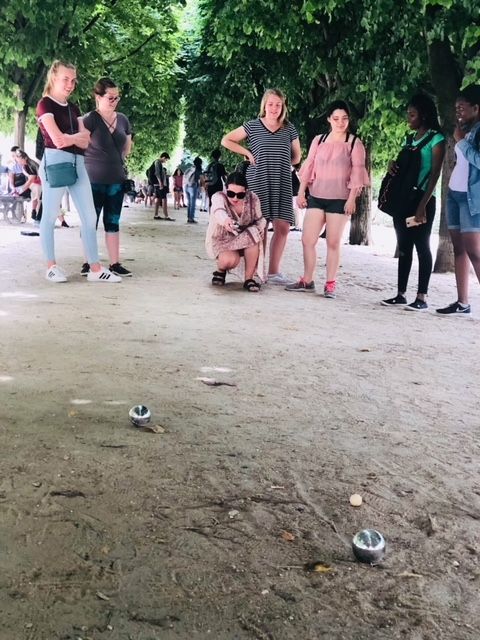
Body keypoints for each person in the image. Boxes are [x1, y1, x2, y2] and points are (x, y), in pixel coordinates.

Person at [36, 60, 121, 283]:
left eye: (73, 80)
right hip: (55, 162)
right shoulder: (45, 104)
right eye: (66, 79)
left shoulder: (73, 109)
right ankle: (51, 266)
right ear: (54, 77)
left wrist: (70, 139)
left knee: (89, 216)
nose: (70, 84)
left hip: (78, 163)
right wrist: (73, 138)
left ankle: (94, 268)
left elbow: (85, 142)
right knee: (50, 215)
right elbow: (57, 139)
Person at [286, 100, 369, 297]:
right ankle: (307, 279)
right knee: (307, 239)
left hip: (340, 200)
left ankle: (330, 283)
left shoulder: (354, 143)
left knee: (333, 242)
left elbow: (357, 174)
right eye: (336, 118)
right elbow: (309, 166)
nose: (340, 122)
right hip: (316, 196)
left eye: (345, 118)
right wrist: (301, 192)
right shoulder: (319, 140)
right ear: (329, 119)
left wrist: (352, 199)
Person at [222, 88, 301, 284]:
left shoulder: (289, 128)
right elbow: (226, 140)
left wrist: (282, 161)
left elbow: (297, 156)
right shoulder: (253, 126)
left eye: (278, 104)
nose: (274, 108)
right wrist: (247, 153)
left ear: (283, 107)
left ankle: (274, 272)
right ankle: (258, 271)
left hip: (282, 180)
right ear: (264, 105)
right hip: (259, 180)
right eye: (271, 104)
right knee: (261, 227)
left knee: (283, 226)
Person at [380, 94, 445, 310]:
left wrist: (422, 206)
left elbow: (435, 174)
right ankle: (401, 293)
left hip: (422, 200)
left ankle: (422, 297)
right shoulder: (408, 140)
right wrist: (391, 166)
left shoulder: (437, 139)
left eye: (412, 114)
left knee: (422, 246)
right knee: (404, 246)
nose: (409, 118)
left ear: (424, 115)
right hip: (404, 200)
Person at [436, 84, 480, 316]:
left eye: (462, 108)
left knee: (475, 252)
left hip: (472, 198)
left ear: (476, 107)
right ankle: (462, 302)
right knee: (459, 249)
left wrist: (461, 142)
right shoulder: (466, 130)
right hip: (454, 194)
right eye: (456, 108)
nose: (458, 112)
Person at [82, 77, 133, 277]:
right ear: (98, 97)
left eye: (117, 98)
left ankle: (114, 263)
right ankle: (88, 262)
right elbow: (80, 146)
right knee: (90, 221)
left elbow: (126, 148)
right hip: (91, 179)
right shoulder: (90, 119)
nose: (114, 101)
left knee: (113, 220)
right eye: (110, 98)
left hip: (116, 179)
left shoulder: (123, 119)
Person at [206, 171, 266, 291]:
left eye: (240, 195)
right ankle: (221, 270)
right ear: (226, 189)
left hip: (246, 236)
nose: (235, 198)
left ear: (246, 191)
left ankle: (249, 278)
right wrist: (226, 220)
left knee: (254, 233)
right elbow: (218, 211)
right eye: (231, 193)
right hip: (224, 239)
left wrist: (259, 228)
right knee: (230, 260)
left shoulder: (253, 199)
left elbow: (260, 220)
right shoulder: (218, 197)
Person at [153, 152, 174, 221]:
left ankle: (156, 215)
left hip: (158, 184)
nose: (166, 161)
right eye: (166, 160)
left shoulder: (158, 163)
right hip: (160, 184)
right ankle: (166, 216)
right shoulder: (158, 162)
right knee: (164, 199)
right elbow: (157, 173)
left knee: (158, 199)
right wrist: (161, 183)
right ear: (164, 157)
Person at [184, 156, 203, 223]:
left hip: (187, 186)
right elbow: (200, 179)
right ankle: (191, 218)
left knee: (189, 203)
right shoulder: (198, 169)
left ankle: (189, 217)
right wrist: (202, 186)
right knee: (193, 203)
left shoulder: (190, 168)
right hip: (193, 186)